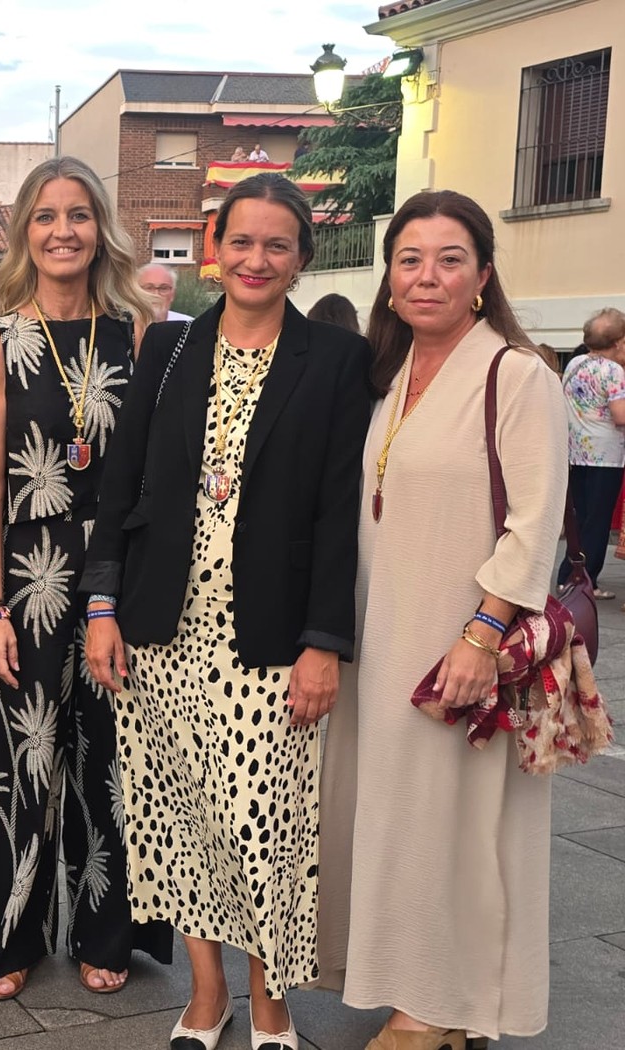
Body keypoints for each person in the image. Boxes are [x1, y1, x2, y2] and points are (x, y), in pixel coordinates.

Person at [82, 171, 371, 1050]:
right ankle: (206, 996)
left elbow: (336, 508)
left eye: (276, 244)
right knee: (175, 813)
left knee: (263, 826)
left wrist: (324, 643)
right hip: (160, 630)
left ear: (300, 258)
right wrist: (101, 606)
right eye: (241, 241)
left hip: (268, 637)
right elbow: (119, 485)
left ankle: (272, 1002)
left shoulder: (334, 360)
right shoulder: (167, 350)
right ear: (215, 249)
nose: (256, 258)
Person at [318, 190, 569, 1050]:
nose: (428, 277)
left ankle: (433, 1010)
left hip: (458, 641)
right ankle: (430, 996)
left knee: (456, 829)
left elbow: (535, 520)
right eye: (410, 260)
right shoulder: (388, 378)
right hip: (383, 636)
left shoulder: (515, 374)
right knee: (401, 822)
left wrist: (482, 634)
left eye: (450, 259)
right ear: (389, 280)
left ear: (483, 276)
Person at [0, 155, 172, 1003]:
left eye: (78, 215)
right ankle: (10, 934)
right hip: (23, 574)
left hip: (115, 573)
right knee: (22, 755)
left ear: (101, 228)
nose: (63, 231)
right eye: (45, 217)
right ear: (24, 234)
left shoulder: (140, 333)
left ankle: (104, 928)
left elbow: (153, 471)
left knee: (110, 758)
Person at [556, 307, 625, 598]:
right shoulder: (613, 371)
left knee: (580, 518)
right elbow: (620, 416)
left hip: (575, 452)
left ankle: (565, 575)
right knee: (597, 521)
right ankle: (587, 581)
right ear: (618, 342)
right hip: (605, 455)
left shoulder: (575, 364)